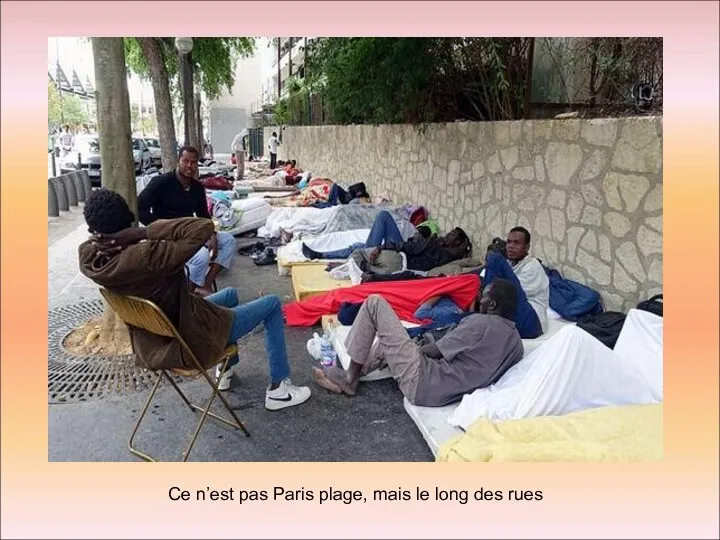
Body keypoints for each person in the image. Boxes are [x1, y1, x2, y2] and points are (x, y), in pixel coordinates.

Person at [78, 189, 311, 410]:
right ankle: (279, 390)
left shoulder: (90, 259)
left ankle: (226, 370)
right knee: (271, 304)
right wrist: (141, 232)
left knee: (230, 295)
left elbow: (89, 243)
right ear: (126, 227)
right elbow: (203, 227)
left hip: (156, 340)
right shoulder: (148, 256)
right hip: (191, 337)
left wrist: (106, 238)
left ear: (95, 232)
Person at [312, 279, 523, 407]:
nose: (479, 301)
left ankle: (350, 379)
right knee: (395, 337)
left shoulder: (481, 323)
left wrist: (406, 350)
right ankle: (358, 371)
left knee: (374, 304)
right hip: (443, 393)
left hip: (424, 380)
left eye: (483, 297)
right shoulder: (516, 342)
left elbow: (434, 351)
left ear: (492, 304)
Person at [137, 146, 236, 297]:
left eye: (193, 162)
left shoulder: (197, 187)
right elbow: (140, 208)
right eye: (186, 161)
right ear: (179, 161)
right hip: (167, 238)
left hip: (190, 233)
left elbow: (203, 215)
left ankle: (204, 284)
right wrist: (160, 228)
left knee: (228, 240)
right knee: (201, 256)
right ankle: (187, 296)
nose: (189, 166)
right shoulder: (161, 182)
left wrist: (212, 234)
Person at [302, 210, 472, 274]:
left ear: (456, 243)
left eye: (452, 235)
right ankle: (324, 255)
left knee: (382, 218)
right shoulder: (445, 252)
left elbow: (410, 247)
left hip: (403, 255)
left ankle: (326, 257)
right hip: (407, 255)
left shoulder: (435, 246)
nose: (448, 234)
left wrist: (382, 246)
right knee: (359, 247)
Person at [473, 227, 549, 339]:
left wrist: (485, 292)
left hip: (532, 322)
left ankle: (485, 313)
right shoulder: (510, 264)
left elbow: (509, 294)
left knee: (495, 258)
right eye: (508, 242)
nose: (510, 246)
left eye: (516, 243)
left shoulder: (533, 266)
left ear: (527, 247)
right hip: (515, 320)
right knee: (480, 274)